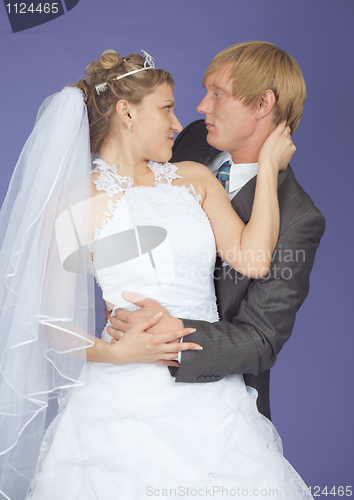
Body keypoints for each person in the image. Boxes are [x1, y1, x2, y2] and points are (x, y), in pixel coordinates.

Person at [0, 49, 313, 500]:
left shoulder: (192, 177)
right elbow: (51, 324)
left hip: (210, 395)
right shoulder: (75, 204)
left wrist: (267, 168)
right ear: (126, 111)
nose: (178, 122)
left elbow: (255, 260)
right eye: (167, 108)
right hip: (120, 401)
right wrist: (118, 353)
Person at [107, 42, 326, 421]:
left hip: (212, 402)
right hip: (125, 371)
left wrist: (171, 336)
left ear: (262, 104)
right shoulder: (189, 140)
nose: (201, 106)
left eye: (217, 94)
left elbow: (260, 340)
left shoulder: (298, 217)